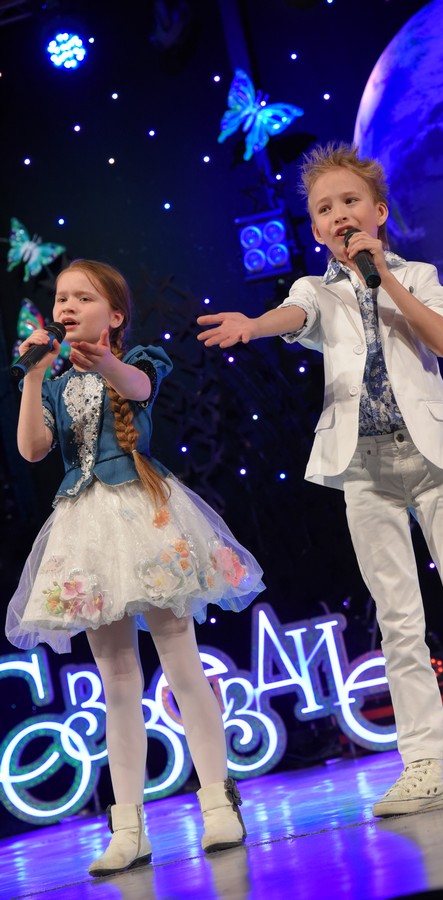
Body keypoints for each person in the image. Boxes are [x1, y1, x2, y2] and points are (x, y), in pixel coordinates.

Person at [196, 143, 443, 817]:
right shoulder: (315, 290)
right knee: (399, 620)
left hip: (432, 460)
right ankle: (423, 765)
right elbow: (295, 316)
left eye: (350, 202)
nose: (338, 214)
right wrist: (253, 325)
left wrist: (384, 280)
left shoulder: (420, 276)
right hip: (365, 469)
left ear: (378, 213)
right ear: (316, 228)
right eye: (324, 208)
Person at [6, 259, 265, 875]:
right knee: (117, 680)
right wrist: (34, 377)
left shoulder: (138, 360)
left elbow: (139, 389)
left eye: (82, 298)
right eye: (61, 299)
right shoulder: (57, 381)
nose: (66, 307)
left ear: (114, 315)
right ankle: (128, 827)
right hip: (85, 529)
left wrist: (103, 361)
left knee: (181, 664)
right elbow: (33, 449)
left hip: (145, 517)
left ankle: (218, 804)